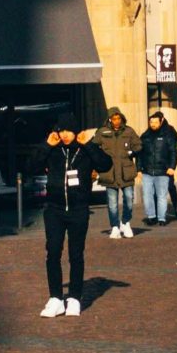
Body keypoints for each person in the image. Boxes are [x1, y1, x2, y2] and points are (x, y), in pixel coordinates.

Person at [39, 126, 110, 317]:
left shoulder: (85, 150)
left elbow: (105, 164)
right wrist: (46, 146)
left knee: (75, 254)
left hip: (78, 210)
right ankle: (55, 298)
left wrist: (89, 145)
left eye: (68, 131)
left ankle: (74, 298)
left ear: (76, 131)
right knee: (53, 252)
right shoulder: (54, 150)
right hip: (54, 210)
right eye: (61, 131)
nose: (64, 135)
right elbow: (30, 165)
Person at [96, 107, 139, 239]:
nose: (116, 121)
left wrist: (131, 152)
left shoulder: (129, 131)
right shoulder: (102, 132)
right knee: (112, 203)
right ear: (110, 119)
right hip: (110, 171)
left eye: (118, 118)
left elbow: (138, 145)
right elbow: (93, 146)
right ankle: (115, 226)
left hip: (126, 170)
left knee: (129, 199)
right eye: (114, 119)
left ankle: (125, 222)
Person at [137, 109, 177, 226]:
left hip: (163, 170)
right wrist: (139, 169)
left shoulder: (167, 135)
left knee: (161, 195)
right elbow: (139, 154)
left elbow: (173, 152)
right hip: (147, 171)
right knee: (147, 195)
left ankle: (161, 218)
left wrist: (172, 167)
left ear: (161, 122)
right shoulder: (145, 136)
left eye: (155, 122)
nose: (153, 124)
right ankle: (151, 216)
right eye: (151, 122)